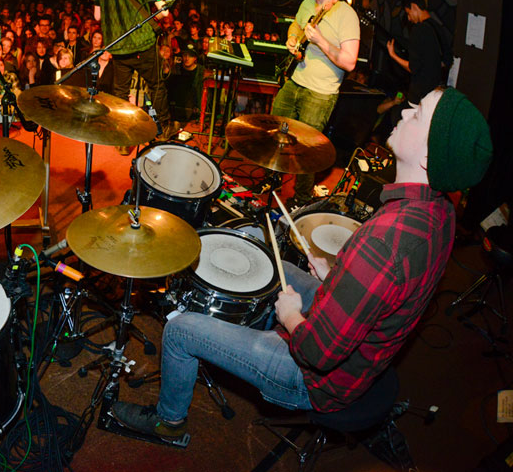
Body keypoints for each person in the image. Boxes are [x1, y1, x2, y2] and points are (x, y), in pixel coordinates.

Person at [110, 86, 492, 446]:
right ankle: (251, 324)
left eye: (418, 113)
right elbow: (386, 291)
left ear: (429, 156)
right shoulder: (439, 213)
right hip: (354, 346)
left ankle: (168, 422)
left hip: (315, 380)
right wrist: (335, 276)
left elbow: (317, 352)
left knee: (181, 330)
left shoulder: (387, 239)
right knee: (261, 246)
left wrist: (291, 316)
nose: (405, 110)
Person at [272, 0, 360, 206]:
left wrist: (321, 40)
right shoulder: (308, 4)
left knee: (307, 150)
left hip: (320, 93)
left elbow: (350, 62)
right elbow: (296, 27)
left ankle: (301, 200)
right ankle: (272, 180)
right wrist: (292, 38)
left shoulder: (346, 14)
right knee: (276, 130)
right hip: (296, 81)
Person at [93, 0, 176, 154]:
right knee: (156, 85)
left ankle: (122, 139)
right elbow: (163, 11)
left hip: (119, 46)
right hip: (143, 43)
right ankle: (165, 128)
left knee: (120, 91)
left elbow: (97, 15)